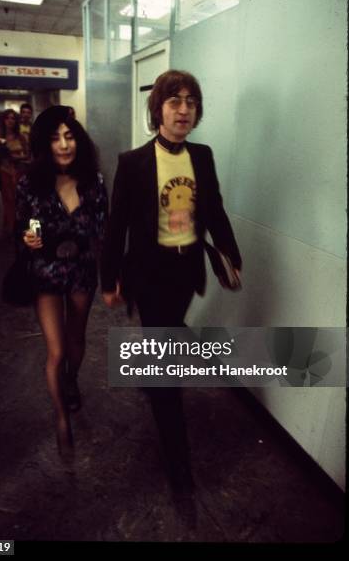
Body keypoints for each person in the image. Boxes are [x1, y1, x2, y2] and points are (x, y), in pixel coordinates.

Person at [100, 70, 242, 500]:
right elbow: (116, 226)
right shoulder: (133, 162)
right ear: (157, 109)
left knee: (167, 333)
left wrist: (231, 254)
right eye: (174, 101)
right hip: (148, 272)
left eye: (191, 102)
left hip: (186, 271)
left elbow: (213, 209)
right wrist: (109, 279)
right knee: (168, 372)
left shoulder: (202, 155)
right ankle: (179, 464)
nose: (184, 109)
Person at [15, 106, 108, 457]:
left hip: (83, 270)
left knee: (76, 340)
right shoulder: (30, 183)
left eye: (69, 137)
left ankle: (72, 380)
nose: (64, 145)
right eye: (55, 138)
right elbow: (22, 227)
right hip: (45, 273)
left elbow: (102, 230)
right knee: (55, 350)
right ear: (44, 144)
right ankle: (60, 419)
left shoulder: (94, 182)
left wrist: (114, 275)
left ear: (79, 141)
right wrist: (28, 239)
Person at [0, 109, 30, 236]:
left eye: (13, 118)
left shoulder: (20, 137)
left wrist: (15, 157)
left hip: (18, 172)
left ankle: (19, 226)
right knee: (8, 200)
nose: (10, 121)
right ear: (4, 120)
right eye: (8, 118)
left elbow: (28, 154)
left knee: (19, 200)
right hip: (4, 171)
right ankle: (9, 228)